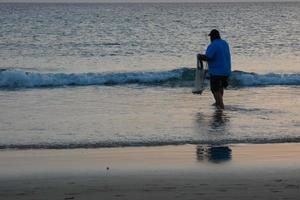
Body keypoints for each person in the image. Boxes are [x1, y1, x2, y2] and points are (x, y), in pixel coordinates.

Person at [197, 29, 231, 109]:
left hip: (217, 72)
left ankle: (221, 105)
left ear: (212, 37)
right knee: (220, 88)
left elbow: (208, 57)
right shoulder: (225, 43)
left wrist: (199, 56)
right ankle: (218, 103)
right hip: (226, 70)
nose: (210, 39)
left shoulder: (213, 45)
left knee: (215, 89)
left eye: (210, 37)